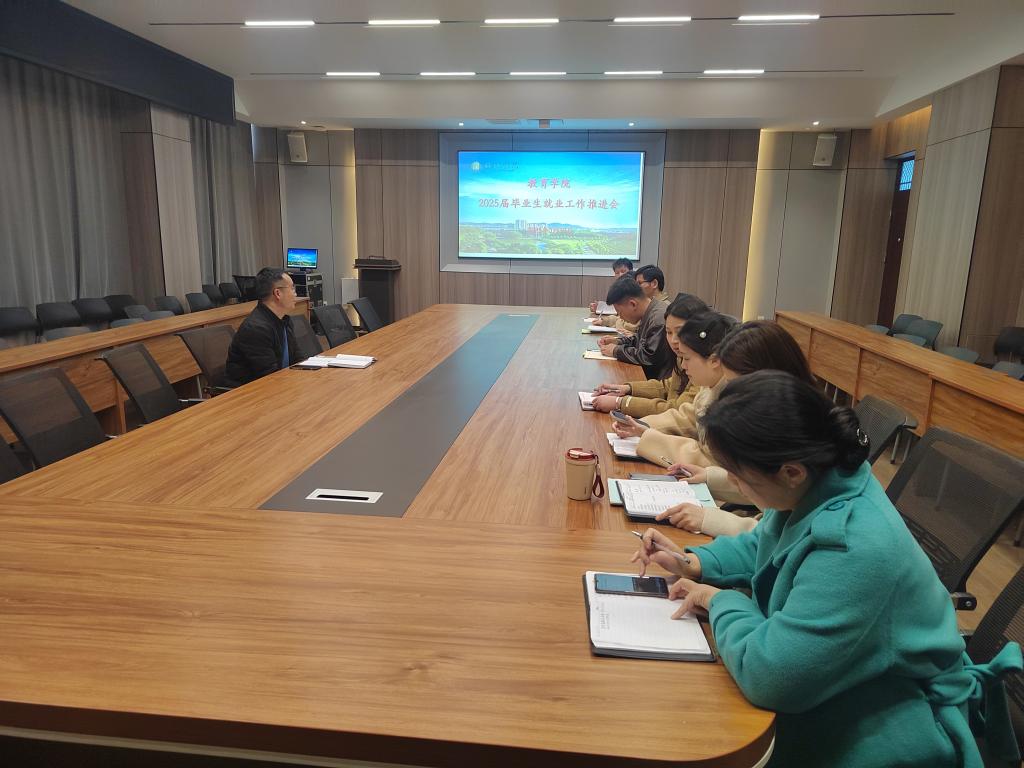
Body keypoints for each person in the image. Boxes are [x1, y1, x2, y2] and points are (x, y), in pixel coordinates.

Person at [631, 370, 1022, 768]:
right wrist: (696, 563)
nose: (732, 482)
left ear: (791, 472)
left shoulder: (854, 546)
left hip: (894, 723)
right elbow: (766, 543)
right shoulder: (818, 482)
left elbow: (770, 677)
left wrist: (721, 602)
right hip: (846, 684)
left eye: (739, 475)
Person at [653, 320, 816, 536]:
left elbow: (779, 534)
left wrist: (712, 519)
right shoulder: (784, 412)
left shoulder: (790, 427)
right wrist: (711, 477)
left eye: (735, 384)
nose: (729, 394)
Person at [590, 293, 709, 417]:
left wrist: (620, 403)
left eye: (680, 332)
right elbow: (668, 386)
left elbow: (677, 410)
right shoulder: (684, 354)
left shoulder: (703, 363)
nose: (673, 340)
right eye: (668, 332)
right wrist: (626, 388)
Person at [225, 267, 299, 386]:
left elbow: (297, 358)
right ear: (278, 293)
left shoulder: (284, 320)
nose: (295, 294)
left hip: (278, 384)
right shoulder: (256, 329)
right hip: (251, 392)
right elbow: (270, 376)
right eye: (292, 288)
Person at [596, 276, 672, 379]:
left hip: (658, 380)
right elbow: (640, 340)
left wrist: (616, 351)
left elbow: (649, 358)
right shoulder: (649, 311)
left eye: (620, 312)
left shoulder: (657, 319)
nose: (620, 317)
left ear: (633, 304)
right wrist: (617, 341)